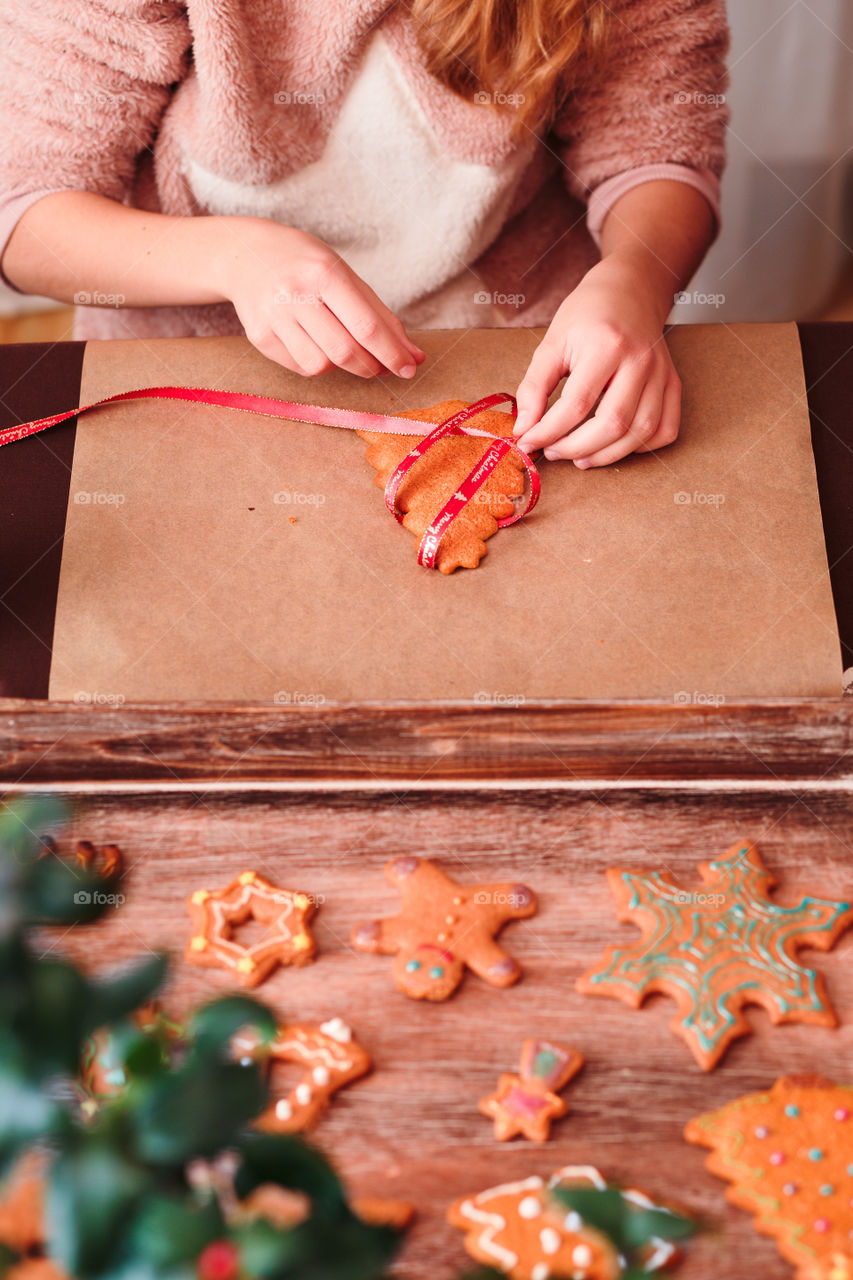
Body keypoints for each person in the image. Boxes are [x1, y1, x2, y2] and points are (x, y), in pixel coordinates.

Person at [0, 0, 728, 468]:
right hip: (196, 377)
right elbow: (29, 214)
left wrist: (635, 276)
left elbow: (655, 149)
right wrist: (236, 257)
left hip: (527, 362)